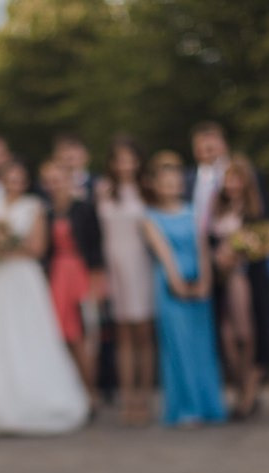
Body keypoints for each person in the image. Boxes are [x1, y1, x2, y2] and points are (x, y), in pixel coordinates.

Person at [0, 161, 89, 435]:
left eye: (19, 179)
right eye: (10, 178)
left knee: (25, 337)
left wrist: (8, 242)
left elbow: (38, 248)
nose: (14, 183)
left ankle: (32, 400)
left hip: (21, 279)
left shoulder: (33, 207)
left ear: (26, 182)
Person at [141, 152, 226, 426]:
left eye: (175, 182)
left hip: (199, 284)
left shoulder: (193, 212)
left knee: (202, 345)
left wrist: (205, 282)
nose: (172, 187)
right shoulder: (149, 216)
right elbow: (163, 253)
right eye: (165, 182)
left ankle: (208, 405)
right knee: (177, 346)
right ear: (155, 185)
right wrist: (177, 283)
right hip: (170, 286)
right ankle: (186, 407)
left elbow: (202, 248)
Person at [209, 154, 269, 419]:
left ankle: (248, 391)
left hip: (245, 280)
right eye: (229, 178)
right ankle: (241, 386)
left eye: (237, 178)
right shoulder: (217, 209)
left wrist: (237, 255)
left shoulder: (254, 212)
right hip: (220, 282)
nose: (232, 183)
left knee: (245, 335)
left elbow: (261, 247)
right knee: (225, 337)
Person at [95, 136, 155, 424]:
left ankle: (144, 398)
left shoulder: (147, 191)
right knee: (122, 336)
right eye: (119, 159)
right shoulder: (103, 191)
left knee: (143, 333)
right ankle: (127, 399)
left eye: (130, 158)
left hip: (141, 265)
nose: (125, 164)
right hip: (114, 267)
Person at [41, 160, 105, 402]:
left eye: (58, 179)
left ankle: (92, 392)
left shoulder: (84, 209)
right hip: (57, 276)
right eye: (50, 181)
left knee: (85, 336)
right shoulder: (47, 212)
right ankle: (76, 392)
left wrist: (96, 283)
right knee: (64, 335)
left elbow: (96, 248)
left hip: (80, 274)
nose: (54, 185)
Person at [184, 122, 230, 235]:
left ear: (225, 144)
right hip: (198, 238)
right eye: (202, 143)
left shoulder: (243, 174)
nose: (209, 147)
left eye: (213, 141)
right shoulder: (186, 179)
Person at [52, 133, 96, 202]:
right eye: (64, 149)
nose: (69, 154)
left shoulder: (98, 183)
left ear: (86, 155)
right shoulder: (46, 185)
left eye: (75, 149)